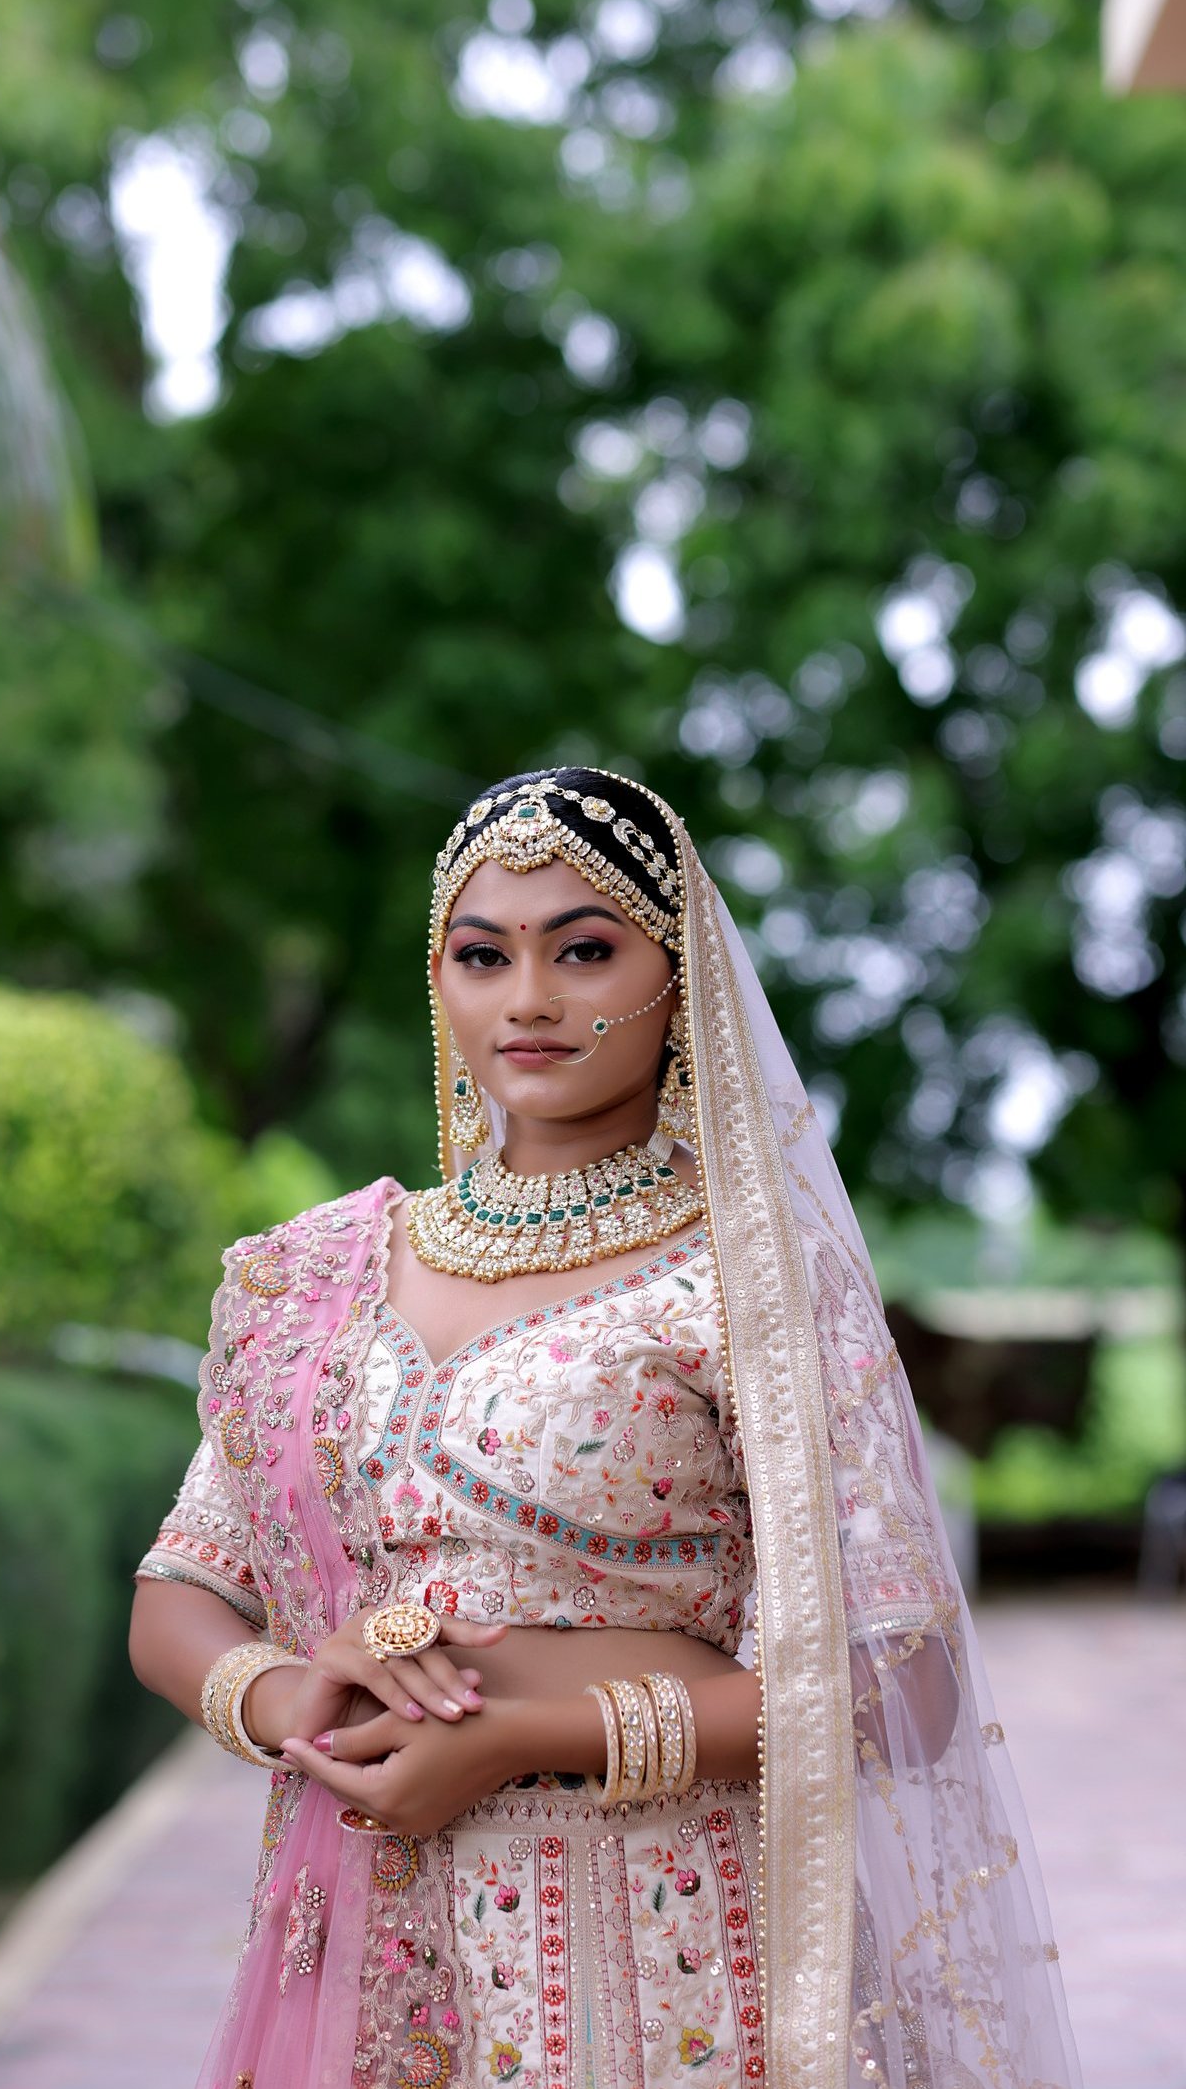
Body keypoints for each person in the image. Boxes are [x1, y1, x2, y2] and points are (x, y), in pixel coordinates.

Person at [129, 768, 1080, 2089]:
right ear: (441, 977)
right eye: (482, 954)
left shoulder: (751, 1277)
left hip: (666, 1942)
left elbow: (905, 1678)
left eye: (584, 949)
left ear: (676, 974)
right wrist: (300, 1699)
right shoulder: (315, 1274)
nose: (527, 999)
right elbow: (181, 1591)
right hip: (369, 1940)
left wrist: (530, 1737)